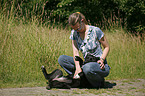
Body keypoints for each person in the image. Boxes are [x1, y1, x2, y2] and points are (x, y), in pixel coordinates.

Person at [58, 12, 110, 88]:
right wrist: (78, 67)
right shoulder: (74, 33)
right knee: (62, 59)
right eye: (74, 29)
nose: (77, 30)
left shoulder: (96, 31)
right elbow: (75, 51)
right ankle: (83, 79)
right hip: (86, 62)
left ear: (82, 21)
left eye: (78, 28)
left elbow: (107, 47)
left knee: (87, 68)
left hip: (99, 64)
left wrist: (102, 59)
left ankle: (98, 82)